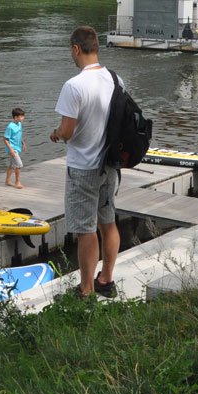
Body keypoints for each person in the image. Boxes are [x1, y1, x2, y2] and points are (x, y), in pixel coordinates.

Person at [50, 25, 119, 298]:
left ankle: (86, 290)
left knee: (85, 230)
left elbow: (67, 131)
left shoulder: (74, 85)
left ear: (76, 49)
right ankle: (107, 280)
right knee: (108, 222)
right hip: (109, 164)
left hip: (83, 167)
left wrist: (56, 134)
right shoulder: (115, 79)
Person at [4, 107, 26, 188]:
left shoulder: (19, 124)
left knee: (11, 165)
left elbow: (19, 135)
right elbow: (5, 139)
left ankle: (7, 181)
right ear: (16, 117)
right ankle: (17, 182)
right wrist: (11, 150)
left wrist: (23, 143)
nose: (23, 118)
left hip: (17, 147)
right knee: (19, 165)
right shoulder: (10, 126)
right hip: (12, 149)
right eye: (21, 116)